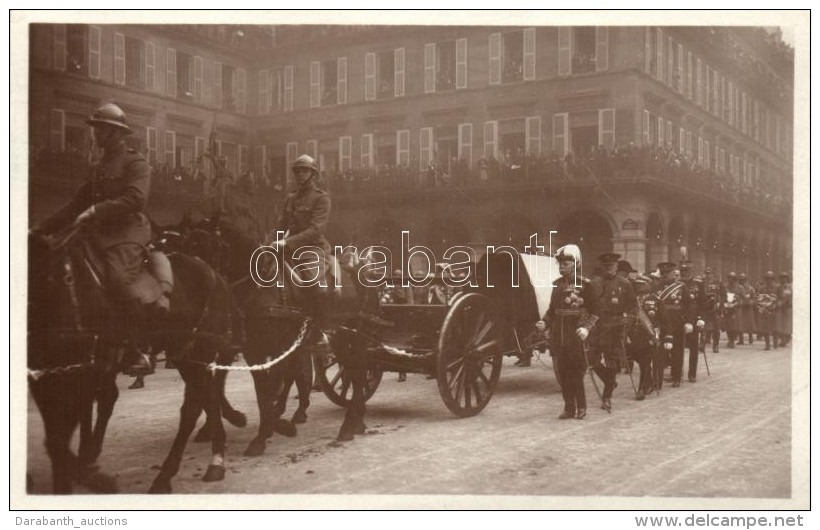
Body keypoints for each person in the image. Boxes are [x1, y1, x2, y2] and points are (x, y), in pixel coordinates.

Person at [32, 103, 161, 375]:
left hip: (127, 231)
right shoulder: (98, 166)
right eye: (95, 128)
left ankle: (135, 348)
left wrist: (96, 210)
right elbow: (75, 204)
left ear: (115, 133)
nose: (94, 134)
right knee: (56, 262)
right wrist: (38, 230)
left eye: (100, 128)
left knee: (116, 277)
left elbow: (136, 199)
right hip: (97, 232)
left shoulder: (135, 162)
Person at [543, 244, 599, 419]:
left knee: (576, 373)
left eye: (565, 264)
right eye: (560, 264)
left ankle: (581, 406)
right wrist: (543, 323)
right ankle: (569, 407)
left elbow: (596, 311)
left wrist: (586, 328)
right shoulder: (557, 285)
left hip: (576, 336)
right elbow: (552, 311)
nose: (561, 267)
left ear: (575, 264)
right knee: (563, 375)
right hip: (559, 337)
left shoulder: (585, 285)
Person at [587, 252, 637, 411]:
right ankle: (610, 381)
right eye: (606, 266)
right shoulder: (593, 284)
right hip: (596, 327)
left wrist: (627, 321)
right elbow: (586, 306)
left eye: (612, 266)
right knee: (591, 361)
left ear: (616, 266)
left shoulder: (625, 284)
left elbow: (633, 307)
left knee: (611, 363)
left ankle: (607, 397)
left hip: (615, 327)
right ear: (602, 267)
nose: (609, 269)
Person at [654, 261, 694, 387]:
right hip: (661, 323)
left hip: (676, 322)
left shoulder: (681, 287)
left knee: (677, 351)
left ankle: (676, 376)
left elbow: (689, 305)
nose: (665, 275)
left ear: (673, 273)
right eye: (663, 273)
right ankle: (657, 379)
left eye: (668, 273)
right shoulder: (655, 287)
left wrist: (688, 321)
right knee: (659, 351)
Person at [679, 261, 705, 383]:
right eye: (682, 271)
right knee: (678, 347)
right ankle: (677, 373)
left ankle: (692, 373)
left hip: (693, 318)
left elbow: (702, 302)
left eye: (686, 271)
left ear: (691, 271)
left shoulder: (698, 284)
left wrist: (701, 318)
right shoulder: (677, 283)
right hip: (679, 318)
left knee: (693, 347)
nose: (684, 273)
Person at [702, 267, 726, 353]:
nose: (708, 275)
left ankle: (716, 345)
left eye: (710, 273)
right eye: (706, 273)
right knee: (703, 328)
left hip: (716, 309)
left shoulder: (718, 284)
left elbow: (724, 296)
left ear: (713, 274)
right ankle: (702, 345)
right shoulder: (701, 283)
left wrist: (720, 303)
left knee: (716, 329)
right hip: (705, 309)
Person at [756, 271, 779, 350]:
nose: (768, 280)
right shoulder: (762, 288)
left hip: (774, 309)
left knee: (774, 327)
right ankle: (767, 344)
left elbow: (778, 298)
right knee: (765, 327)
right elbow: (759, 298)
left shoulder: (777, 287)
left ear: (773, 279)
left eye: (770, 278)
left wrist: (775, 305)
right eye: (767, 278)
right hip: (765, 309)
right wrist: (761, 307)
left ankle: (775, 343)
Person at [738, 273, 757, 345]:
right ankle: (741, 339)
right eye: (740, 280)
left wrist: (750, 302)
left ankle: (751, 338)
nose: (741, 281)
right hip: (740, 308)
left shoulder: (750, 288)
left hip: (748, 308)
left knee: (750, 323)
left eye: (742, 280)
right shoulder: (738, 288)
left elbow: (754, 298)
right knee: (740, 323)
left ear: (745, 280)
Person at [724, 272, 742, 348]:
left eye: (731, 278)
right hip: (727, 308)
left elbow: (743, 298)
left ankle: (732, 340)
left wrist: (738, 302)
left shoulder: (739, 287)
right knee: (727, 325)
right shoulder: (725, 286)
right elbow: (722, 295)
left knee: (734, 325)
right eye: (728, 278)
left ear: (734, 279)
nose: (729, 279)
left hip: (736, 308)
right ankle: (729, 339)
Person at [776, 272, 792, 347]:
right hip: (781, 307)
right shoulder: (779, 286)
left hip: (786, 307)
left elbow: (786, 297)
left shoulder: (787, 287)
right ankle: (784, 338)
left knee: (785, 324)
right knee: (781, 324)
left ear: (787, 279)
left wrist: (780, 303)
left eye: (784, 278)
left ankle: (785, 339)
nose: (782, 279)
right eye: (781, 278)